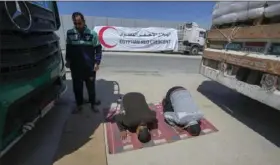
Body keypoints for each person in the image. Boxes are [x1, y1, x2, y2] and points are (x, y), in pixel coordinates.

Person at [65, 12, 102, 113]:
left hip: (89, 67)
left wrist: (97, 62)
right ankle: (79, 104)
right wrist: (67, 60)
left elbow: (98, 48)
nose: (78, 26)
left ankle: (93, 104)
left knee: (91, 87)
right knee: (77, 87)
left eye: (79, 23)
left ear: (84, 21)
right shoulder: (70, 33)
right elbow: (68, 48)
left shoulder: (92, 34)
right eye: (75, 23)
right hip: (75, 67)